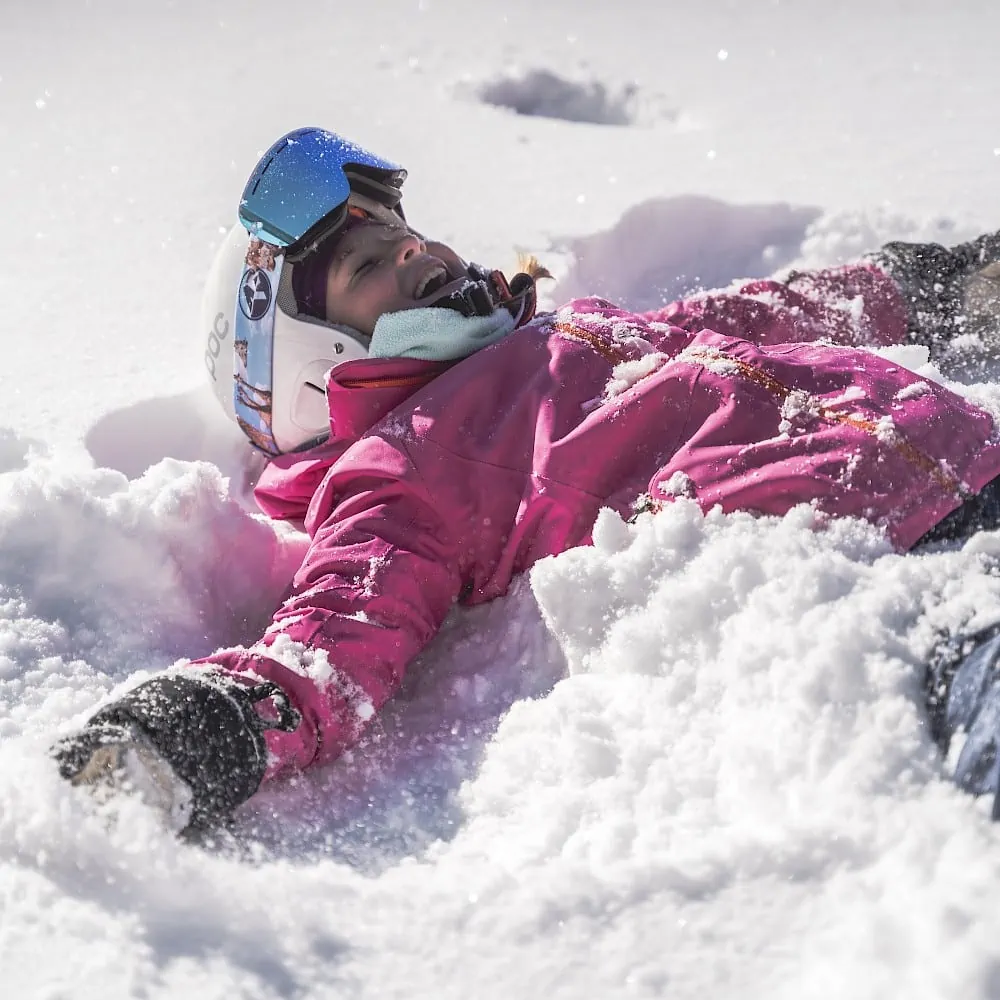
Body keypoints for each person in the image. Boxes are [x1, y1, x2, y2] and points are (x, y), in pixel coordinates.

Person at [52, 127, 1000, 834]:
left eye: (403, 233)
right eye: (373, 263)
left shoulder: (570, 329)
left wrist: (937, 290)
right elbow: (338, 631)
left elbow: (768, 312)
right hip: (887, 563)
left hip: (976, 463)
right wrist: (202, 725)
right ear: (311, 356)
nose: (417, 250)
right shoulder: (400, 465)